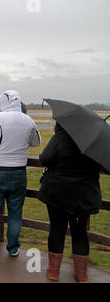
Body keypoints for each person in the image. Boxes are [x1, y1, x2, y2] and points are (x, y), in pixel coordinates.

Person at [0, 90, 41, 257]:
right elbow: (36, 142)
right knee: (15, 212)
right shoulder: (28, 120)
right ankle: (13, 248)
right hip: (19, 172)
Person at [38, 121, 102, 283]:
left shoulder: (61, 137)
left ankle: (53, 272)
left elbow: (45, 158)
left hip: (58, 192)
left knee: (57, 230)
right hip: (84, 195)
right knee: (80, 233)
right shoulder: (94, 142)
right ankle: (82, 274)